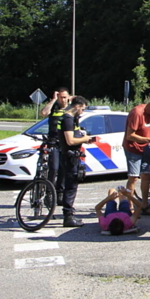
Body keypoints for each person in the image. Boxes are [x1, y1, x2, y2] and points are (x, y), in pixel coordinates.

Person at [58, 96, 101, 227]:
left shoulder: (72, 119)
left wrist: (84, 138)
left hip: (72, 155)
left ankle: (69, 214)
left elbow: (75, 136)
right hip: (69, 156)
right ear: (77, 106)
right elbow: (70, 140)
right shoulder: (68, 119)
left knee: (72, 185)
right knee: (70, 187)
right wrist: (85, 139)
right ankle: (68, 217)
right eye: (82, 109)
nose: (82, 112)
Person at [122, 96, 150, 211]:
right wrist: (148, 139)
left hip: (145, 150)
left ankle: (144, 205)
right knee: (133, 177)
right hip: (133, 149)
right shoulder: (137, 113)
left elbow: (148, 131)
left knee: (146, 176)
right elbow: (130, 136)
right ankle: (129, 207)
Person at [40, 87, 70, 203]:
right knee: (54, 168)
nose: (63, 100)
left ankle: (60, 193)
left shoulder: (70, 109)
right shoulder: (54, 107)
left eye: (65, 97)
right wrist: (53, 100)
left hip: (65, 143)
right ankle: (49, 193)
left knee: (63, 169)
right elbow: (44, 113)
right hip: (54, 142)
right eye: (60, 97)